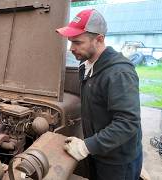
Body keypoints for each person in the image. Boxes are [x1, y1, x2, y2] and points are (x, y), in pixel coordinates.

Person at [56, 9, 143, 180]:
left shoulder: (119, 73)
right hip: (98, 152)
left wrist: (86, 146)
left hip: (117, 162)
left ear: (99, 39)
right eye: (70, 42)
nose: (71, 48)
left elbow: (128, 123)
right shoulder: (87, 66)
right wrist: (89, 146)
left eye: (77, 42)